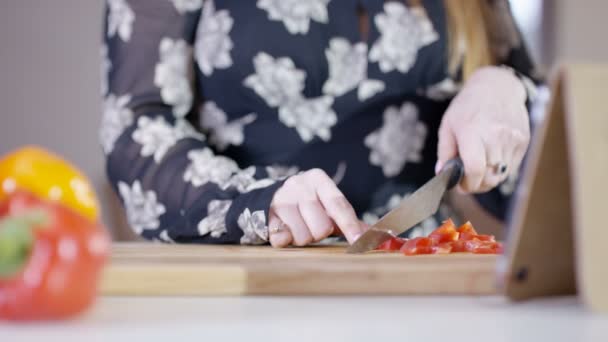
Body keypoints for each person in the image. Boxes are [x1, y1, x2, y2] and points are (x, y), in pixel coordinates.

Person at [101, 0, 541, 247]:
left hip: (425, 279)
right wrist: (255, 203)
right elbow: (137, 129)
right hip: (244, 279)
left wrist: (509, 89)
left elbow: (544, 176)